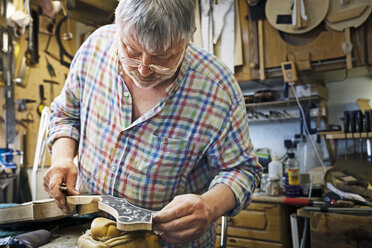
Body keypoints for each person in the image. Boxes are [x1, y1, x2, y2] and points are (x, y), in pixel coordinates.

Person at [43, 0, 262, 247]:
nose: (144, 70)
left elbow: (241, 170)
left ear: (187, 40)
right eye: (132, 51)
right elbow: (65, 114)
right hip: (89, 235)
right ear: (119, 24)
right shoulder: (94, 49)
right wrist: (62, 158)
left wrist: (210, 207)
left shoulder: (217, 87)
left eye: (162, 57)